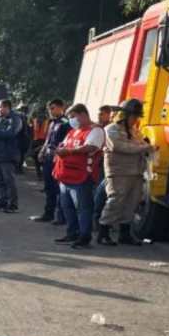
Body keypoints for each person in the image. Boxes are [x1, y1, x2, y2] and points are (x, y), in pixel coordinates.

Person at [98, 99, 154, 246]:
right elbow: (120, 147)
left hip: (135, 172)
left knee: (131, 203)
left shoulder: (135, 132)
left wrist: (148, 147)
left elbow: (142, 145)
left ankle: (125, 234)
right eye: (134, 116)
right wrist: (144, 147)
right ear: (125, 115)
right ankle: (103, 232)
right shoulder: (111, 130)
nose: (136, 120)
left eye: (137, 117)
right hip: (119, 172)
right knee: (115, 201)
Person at [52, 104, 104, 249]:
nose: (71, 120)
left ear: (83, 114)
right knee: (67, 207)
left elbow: (91, 147)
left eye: (73, 116)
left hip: (81, 176)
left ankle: (84, 237)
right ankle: (72, 233)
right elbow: (63, 145)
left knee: (83, 208)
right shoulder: (74, 131)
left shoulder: (95, 130)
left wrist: (67, 151)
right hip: (66, 175)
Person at [31, 99, 70, 223]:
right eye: (49, 109)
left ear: (61, 108)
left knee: (58, 188)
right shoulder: (52, 123)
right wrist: (42, 150)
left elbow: (67, 142)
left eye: (53, 108)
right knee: (48, 187)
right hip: (48, 157)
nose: (50, 111)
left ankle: (61, 216)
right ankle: (48, 213)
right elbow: (48, 139)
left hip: (58, 158)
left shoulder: (66, 123)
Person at [0, 99, 23, 213]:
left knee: (9, 180)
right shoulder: (0, 119)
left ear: (6, 107)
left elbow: (11, 133)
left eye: (0, 107)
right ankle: (2, 201)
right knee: (0, 181)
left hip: (8, 156)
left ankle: (12, 205)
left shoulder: (15, 119)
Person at [93, 105, 114, 229]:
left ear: (108, 114)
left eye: (101, 114)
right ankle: (96, 221)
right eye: (98, 114)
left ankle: (101, 222)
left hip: (106, 165)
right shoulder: (97, 127)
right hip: (97, 164)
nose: (99, 116)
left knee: (102, 194)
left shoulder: (111, 129)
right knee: (97, 193)